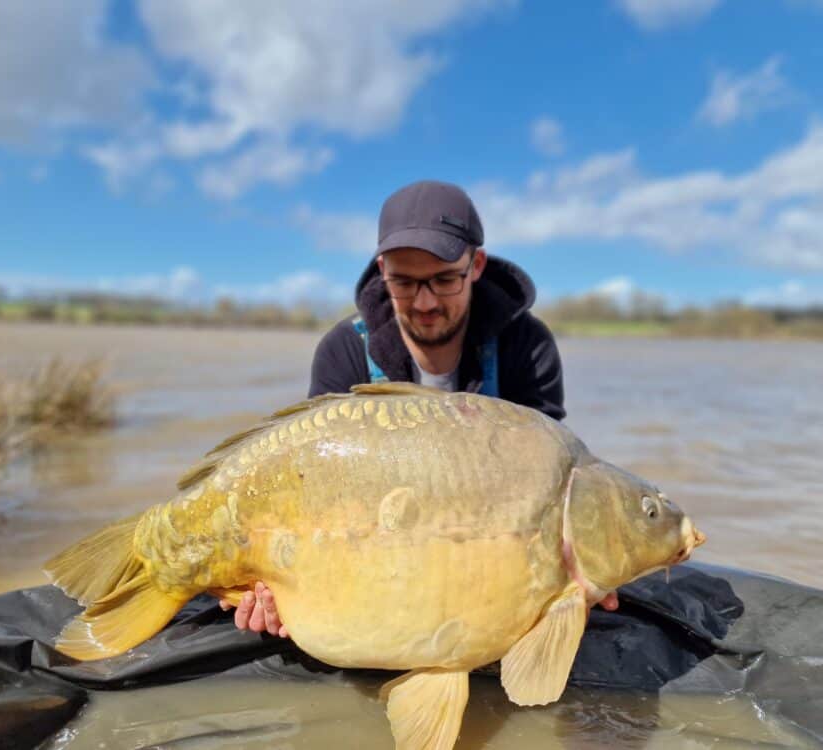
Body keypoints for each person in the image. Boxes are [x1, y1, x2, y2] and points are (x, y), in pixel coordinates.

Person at [223, 180, 617, 636]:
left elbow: (548, 487)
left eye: (444, 279)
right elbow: (313, 498)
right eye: (404, 282)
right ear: (382, 269)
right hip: (375, 554)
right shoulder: (342, 352)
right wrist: (273, 588)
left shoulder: (527, 347)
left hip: (484, 557)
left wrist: (584, 565)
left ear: (476, 266)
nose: (425, 302)